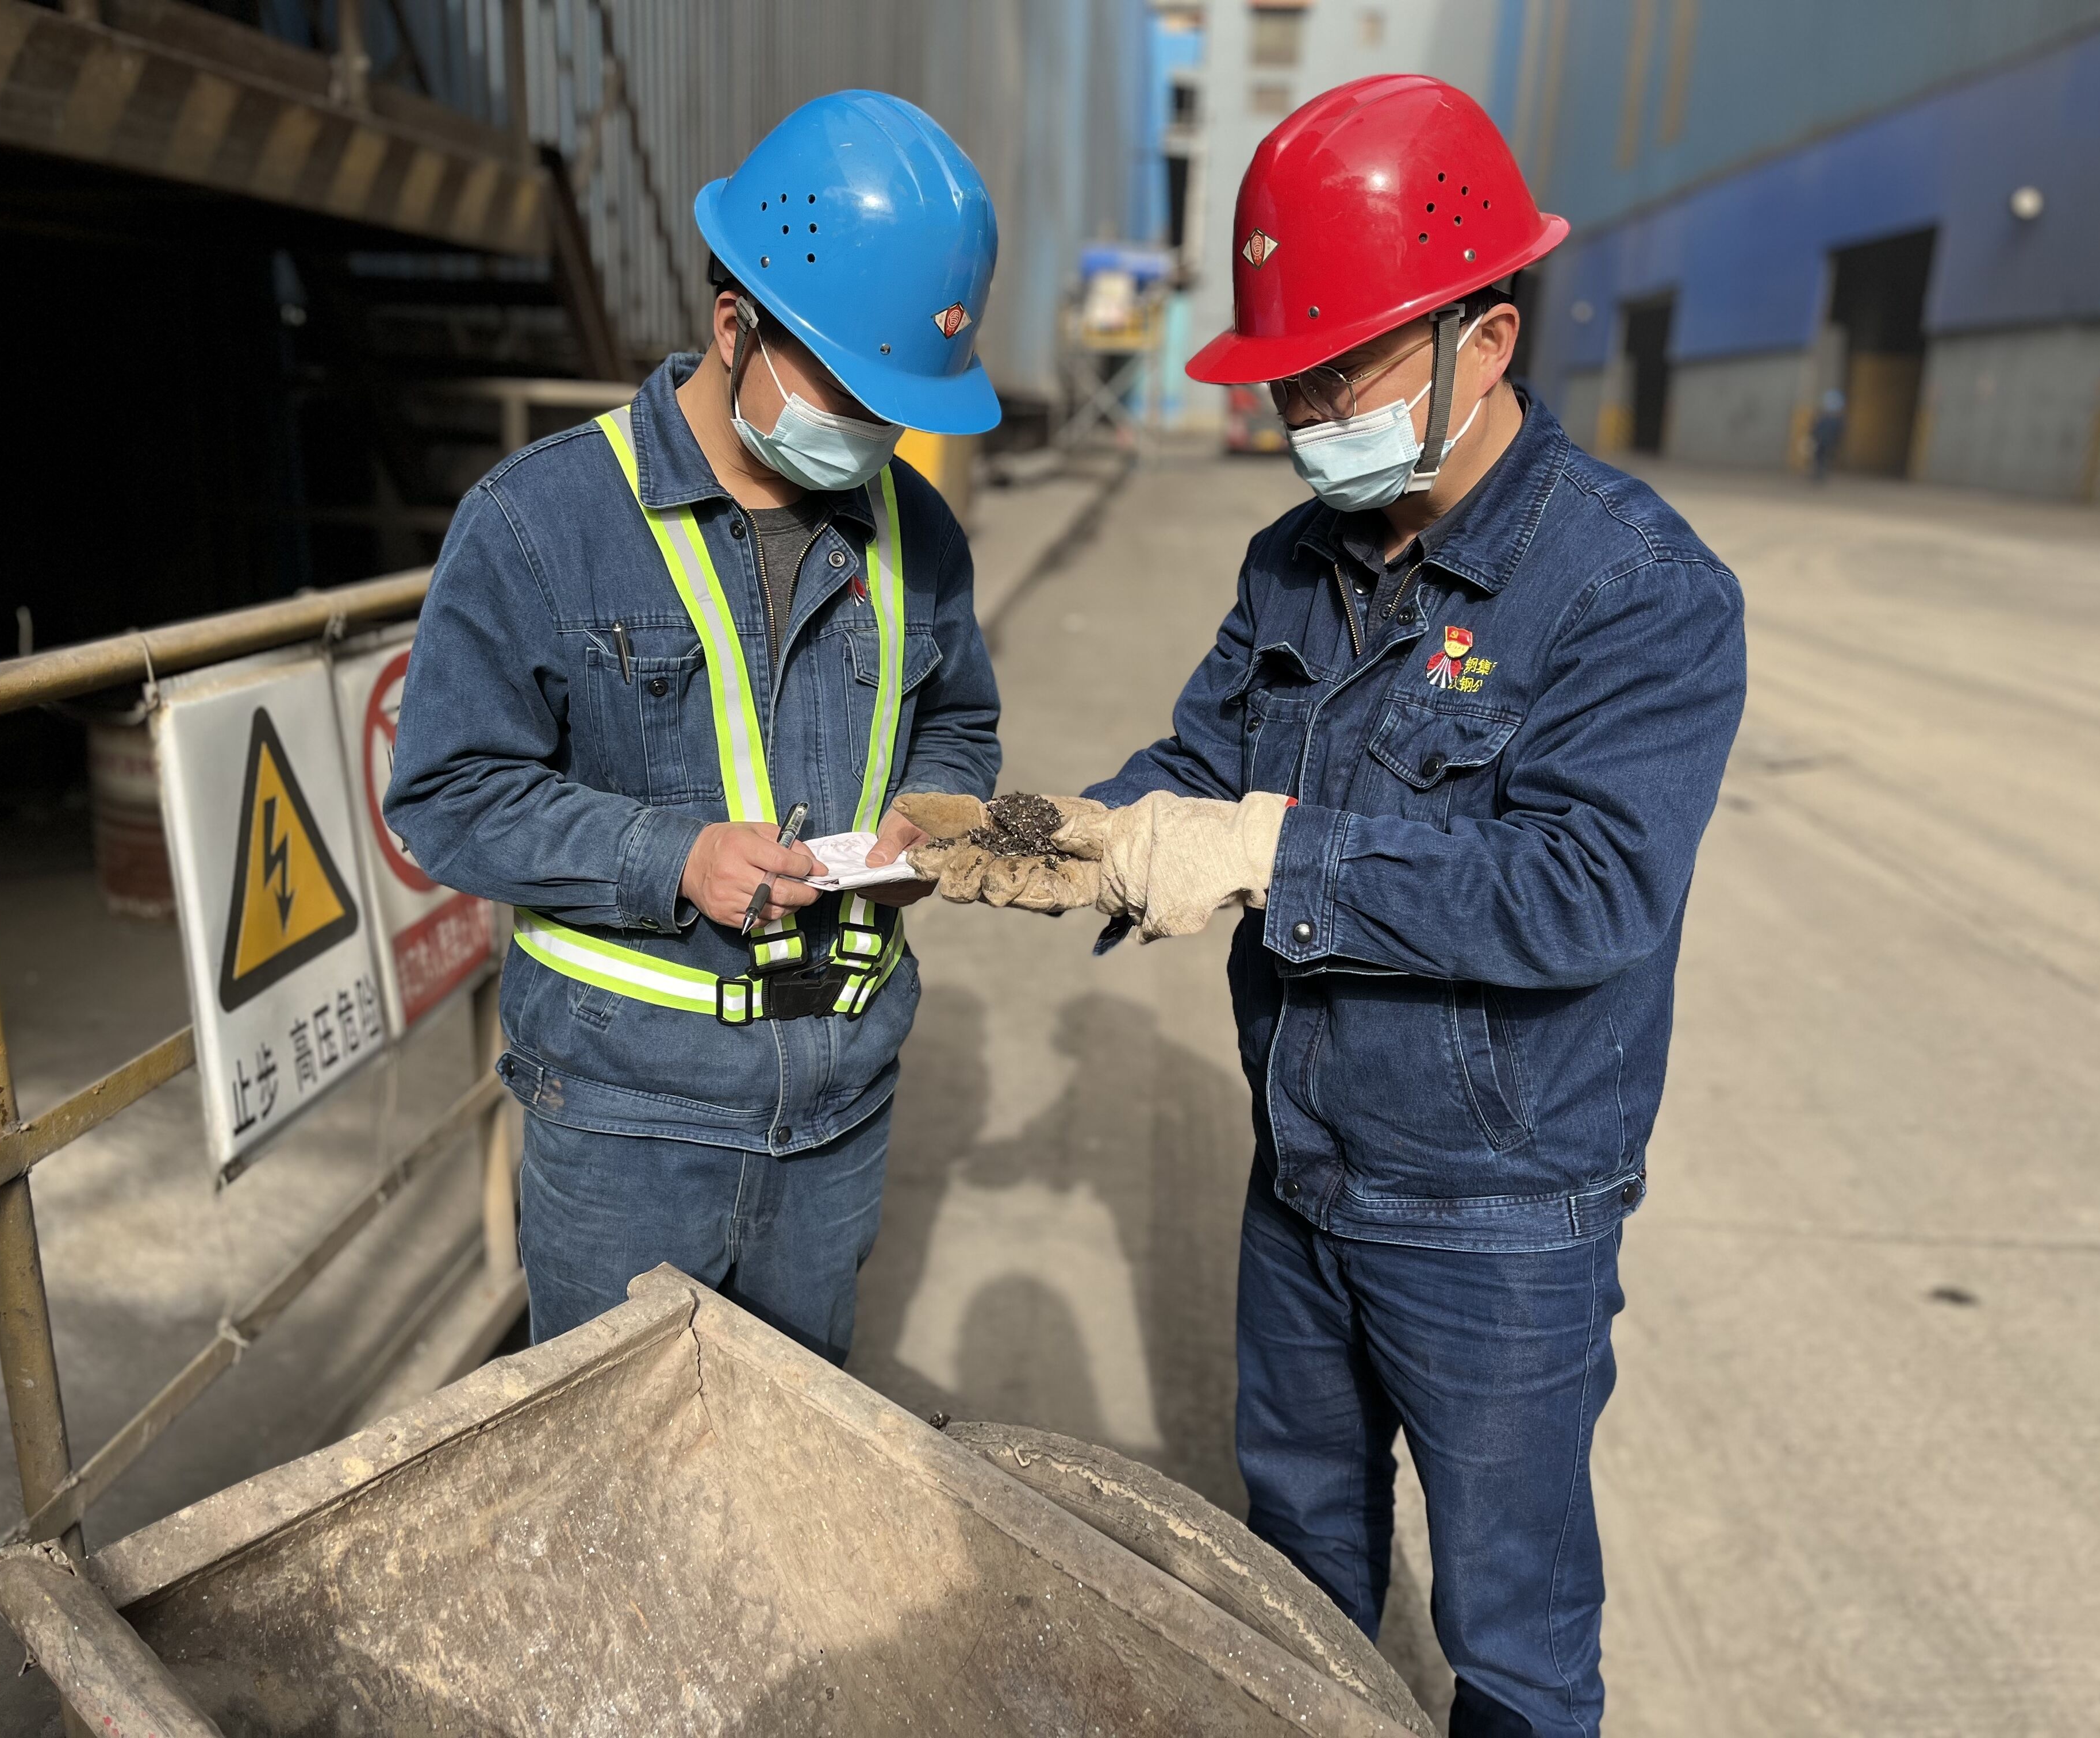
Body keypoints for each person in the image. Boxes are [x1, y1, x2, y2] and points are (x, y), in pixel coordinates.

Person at [908, 75, 1746, 1735]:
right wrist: (1080, 831)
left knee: (1507, 1631)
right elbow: (1201, 758)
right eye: (1286, 370)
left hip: (1500, 1218)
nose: (1302, 406)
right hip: (1301, 1176)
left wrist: (1271, 853)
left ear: (1485, 340)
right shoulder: (1297, 557)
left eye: (1337, 365)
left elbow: (1586, 893)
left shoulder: (1639, 594)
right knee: (1289, 1574)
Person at [383, 91, 1004, 1364]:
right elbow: (446, 793)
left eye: (901, 401)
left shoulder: (918, 532)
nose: (878, 432)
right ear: (737, 328)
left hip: (839, 1110)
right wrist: (669, 857)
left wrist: (927, 818)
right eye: (852, 388)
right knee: (620, 1497)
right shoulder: (538, 524)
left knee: (787, 1486)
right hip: (625, 1120)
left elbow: (958, 720)